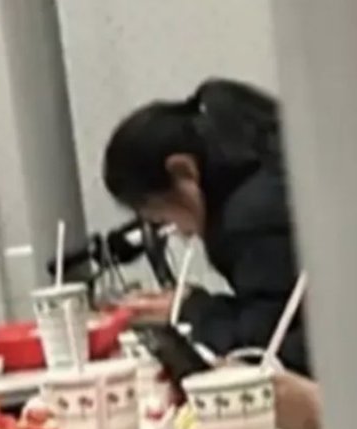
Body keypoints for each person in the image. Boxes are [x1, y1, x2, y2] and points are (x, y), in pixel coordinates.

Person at [102, 78, 310, 376]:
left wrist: (192, 310)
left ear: (183, 170)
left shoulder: (249, 220)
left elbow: (265, 345)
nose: (178, 231)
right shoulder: (262, 157)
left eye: (162, 214)